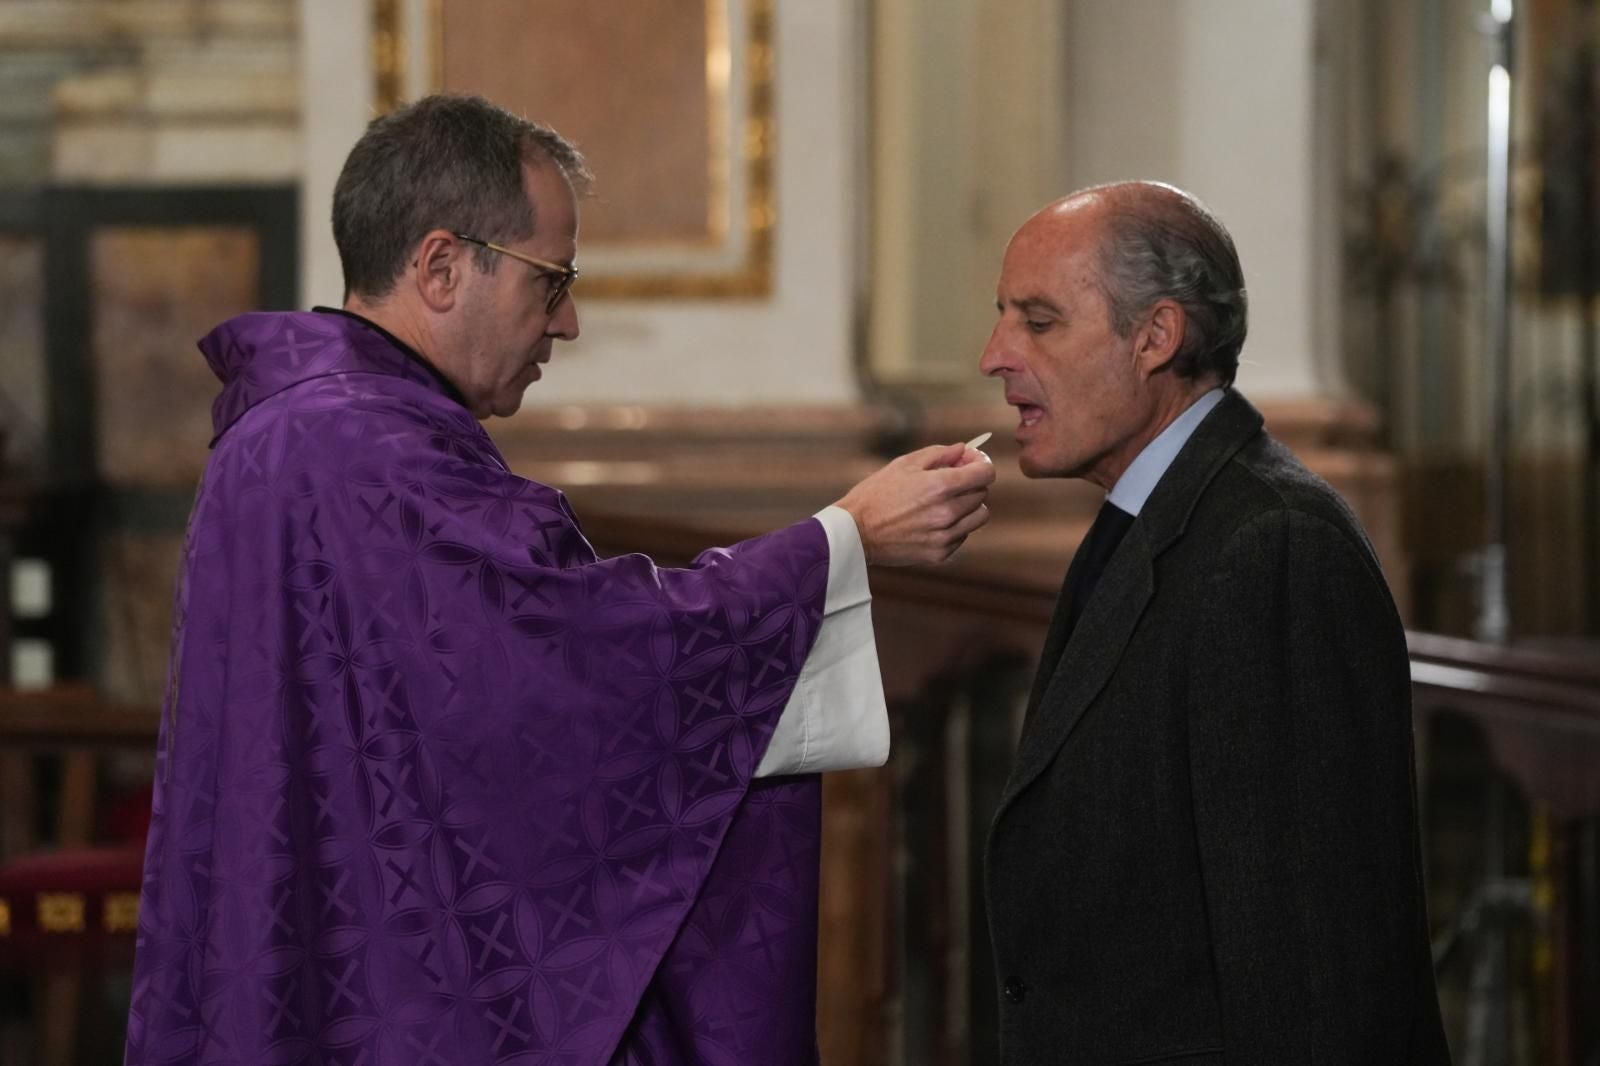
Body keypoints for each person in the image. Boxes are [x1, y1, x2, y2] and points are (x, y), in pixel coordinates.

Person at [124, 94, 993, 1066]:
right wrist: (845, 539)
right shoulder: (368, 449)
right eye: (553, 280)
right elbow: (576, 659)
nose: (569, 321)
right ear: (443, 267)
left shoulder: (294, 427)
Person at [978, 182, 1451, 1064]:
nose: (993, 355)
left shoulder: (1270, 548)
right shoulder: (1153, 515)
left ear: (1156, 337)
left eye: (1037, 322)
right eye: (1003, 316)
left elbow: (1310, 981)